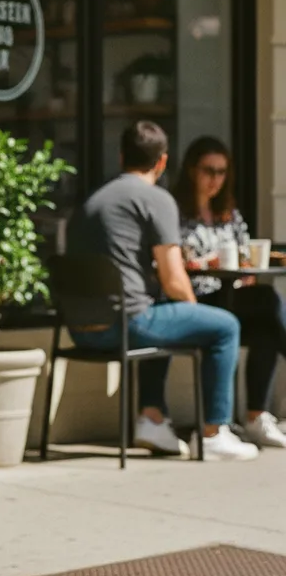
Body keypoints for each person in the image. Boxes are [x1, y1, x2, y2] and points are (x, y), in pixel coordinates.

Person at [67, 122, 256, 461]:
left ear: (123, 156)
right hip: (126, 324)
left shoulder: (93, 199)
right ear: (162, 162)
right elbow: (173, 278)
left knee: (165, 310)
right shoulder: (155, 199)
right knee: (224, 325)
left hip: (81, 330)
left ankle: (151, 417)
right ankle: (213, 433)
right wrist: (196, 312)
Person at [173, 136, 286, 448]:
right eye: (209, 170)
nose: (215, 179)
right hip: (199, 299)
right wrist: (201, 262)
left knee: (266, 323)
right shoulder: (175, 212)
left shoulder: (229, 212)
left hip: (233, 295)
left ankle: (255, 417)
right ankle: (237, 422)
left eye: (222, 172)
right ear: (192, 171)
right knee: (268, 302)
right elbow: (174, 263)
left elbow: (245, 254)